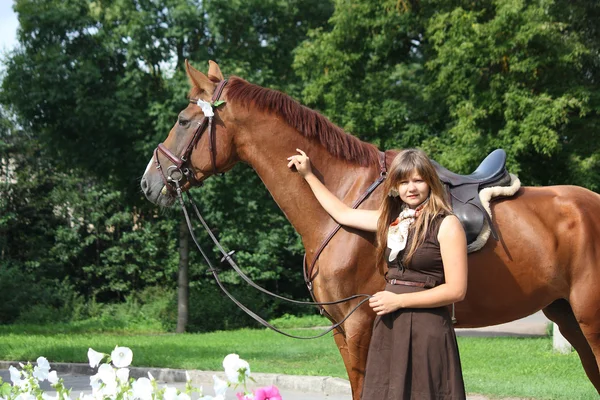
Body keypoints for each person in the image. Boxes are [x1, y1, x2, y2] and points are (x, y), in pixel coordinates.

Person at [287, 148, 468, 400]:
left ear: (430, 181)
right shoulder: (391, 220)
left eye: (418, 180)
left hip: (427, 329)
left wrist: (399, 300)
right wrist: (308, 175)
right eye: (403, 182)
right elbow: (342, 214)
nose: (411, 188)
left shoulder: (447, 224)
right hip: (390, 326)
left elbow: (456, 290)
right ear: (395, 186)